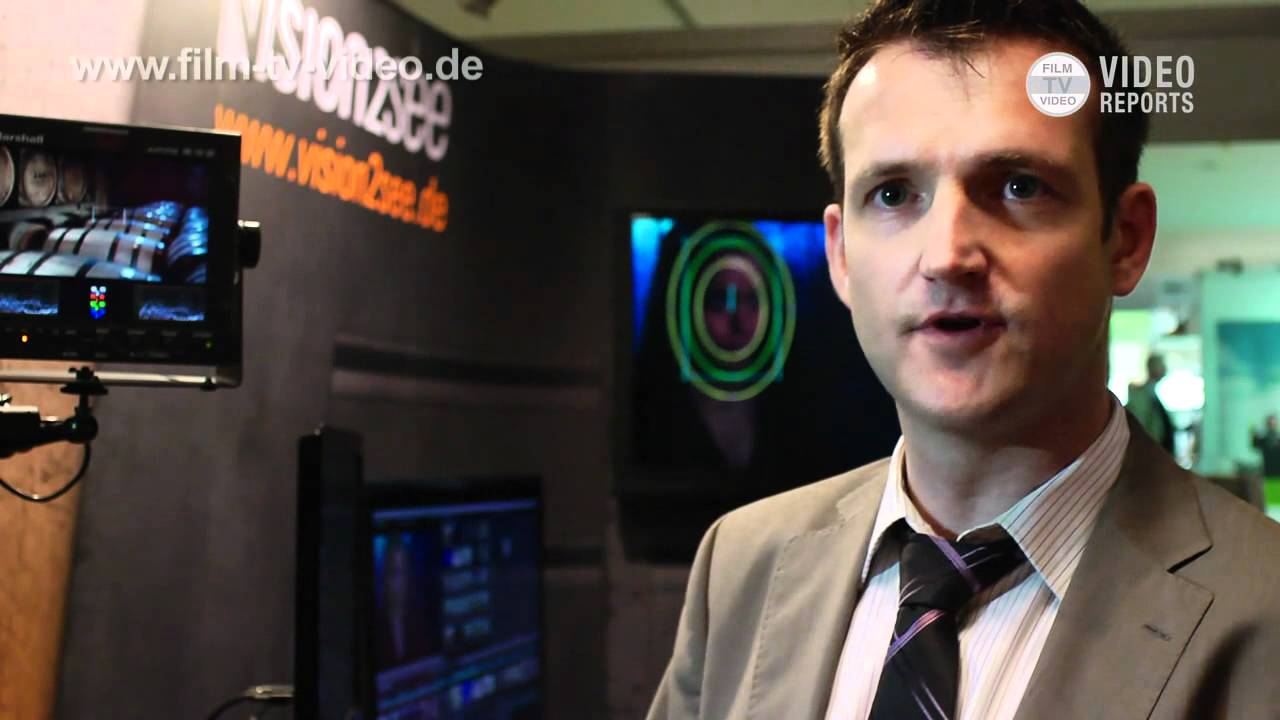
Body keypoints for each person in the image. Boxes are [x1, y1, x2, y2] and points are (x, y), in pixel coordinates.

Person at [647, 2, 1280, 718]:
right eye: (893, 194)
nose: (947, 254)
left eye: (1018, 186)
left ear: (1125, 240)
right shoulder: (740, 566)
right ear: (841, 255)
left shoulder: (1264, 612)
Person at [1126, 353, 1175, 454]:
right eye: (1162, 365)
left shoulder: (1152, 393)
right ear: (1153, 368)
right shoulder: (1141, 396)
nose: (1165, 369)